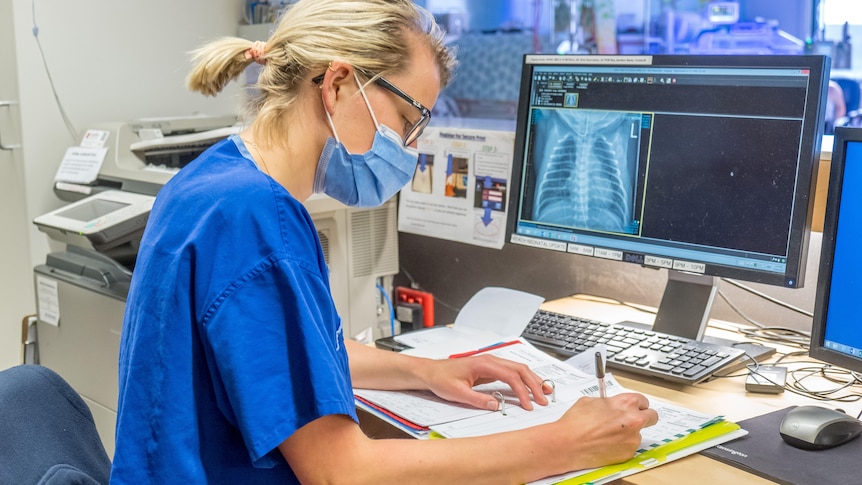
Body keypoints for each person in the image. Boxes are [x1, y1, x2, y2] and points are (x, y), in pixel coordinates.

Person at [110, 1, 658, 483]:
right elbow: (342, 473)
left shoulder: (214, 181)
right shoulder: (258, 222)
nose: (409, 147)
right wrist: (562, 443)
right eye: (407, 119)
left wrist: (427, 372)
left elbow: (285, 355)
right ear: (339, 83)